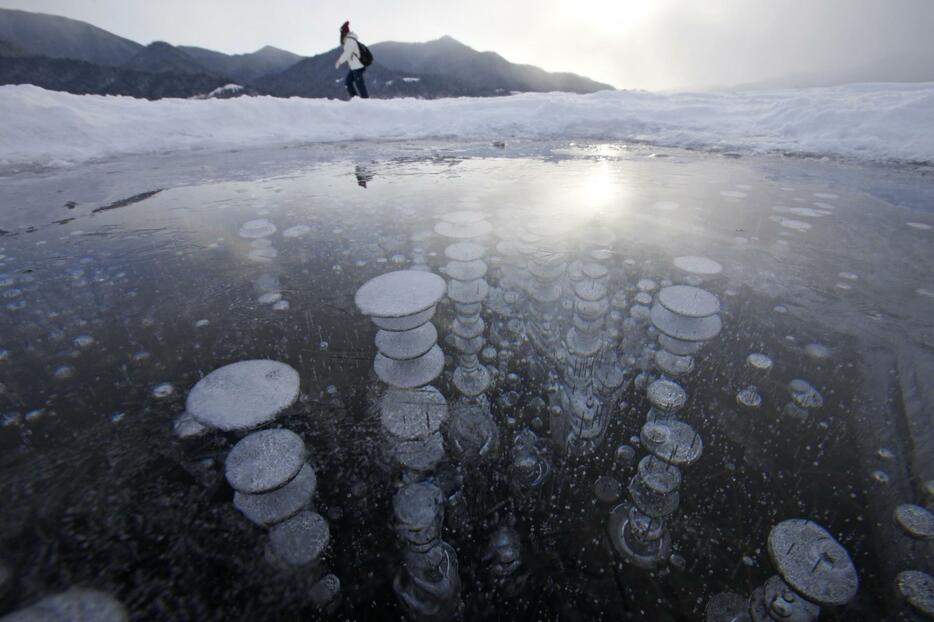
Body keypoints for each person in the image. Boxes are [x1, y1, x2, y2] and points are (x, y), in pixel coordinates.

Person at [335, 21, 368, 99]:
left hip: (358, 66)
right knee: (348, 83)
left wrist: (339, 61)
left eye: (341, 32)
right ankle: (356, 99)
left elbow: (347, 53)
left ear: (344, 32)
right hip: (354, 66)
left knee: (359, 84)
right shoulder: (349, 40)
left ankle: (365, 100)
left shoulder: (350, 41)